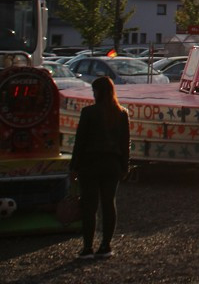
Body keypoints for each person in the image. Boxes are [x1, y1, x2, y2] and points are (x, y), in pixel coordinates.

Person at [70, 76, 130, 260]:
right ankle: (106, 245)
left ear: (98, 92)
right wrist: (124, 166)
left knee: (90, 206)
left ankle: (87, 247)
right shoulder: (121, 113)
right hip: (112, 164)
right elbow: (125, 143)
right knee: (108, 204)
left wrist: (74, 166)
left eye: (94, 91)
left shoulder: (88, 112)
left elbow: (80, 142)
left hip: (90, 164)